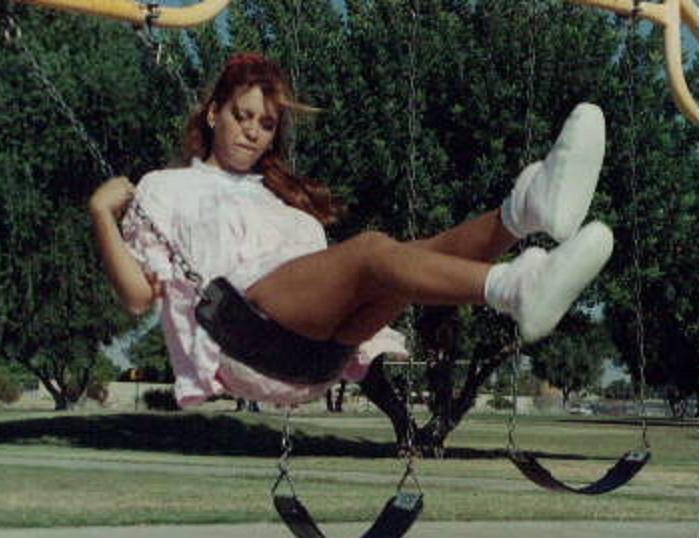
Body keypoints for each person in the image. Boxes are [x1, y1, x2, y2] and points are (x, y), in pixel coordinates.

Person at [89, 52, 612, 409]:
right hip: (242, 332)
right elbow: (137, 297)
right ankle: (516, 288)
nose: (252, 131)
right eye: (241, 116)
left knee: (405, 264)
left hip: (319, 355)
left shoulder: (276, 198)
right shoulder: (166, 188)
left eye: (266, 124)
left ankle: (523, 212)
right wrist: (101, 213)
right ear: (212, 114)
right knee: (372, 251)